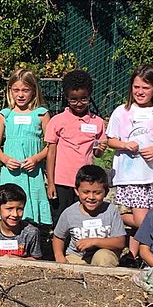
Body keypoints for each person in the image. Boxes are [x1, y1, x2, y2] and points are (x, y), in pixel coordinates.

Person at [106, 65, 153, 257]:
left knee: (147, 218)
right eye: (136, 87)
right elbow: (110, 140)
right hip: (131, 176)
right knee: (144, 220)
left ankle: (134, 255)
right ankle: (114, 218)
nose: (140, 92)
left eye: (145, 87)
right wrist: (125, 145)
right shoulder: (122, 111)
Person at [45, 69, 107, 224]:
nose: (79, 103)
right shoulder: (57, 121)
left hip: (85, 182)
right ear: (66, 98)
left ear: (90, 95)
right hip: (61, 181)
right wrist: (51, 182)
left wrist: (101, 149)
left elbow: (97, 153)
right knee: (61, 220)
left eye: (84, 99)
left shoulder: (97, 122)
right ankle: (59, 248)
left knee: (82, 219)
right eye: (73, 99)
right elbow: (51, 153)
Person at [0, 69, 52, 226]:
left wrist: (36, 158)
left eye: (25, 90)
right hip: (10, 173)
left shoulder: (41, 114)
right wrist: (5, 159)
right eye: (16, 90)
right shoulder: (5, 115)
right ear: (10, 90)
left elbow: (51, 145)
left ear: (33, 91)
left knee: (30, 210)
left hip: (33, 173)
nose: (20, 95)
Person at [53, 165, 126, 267]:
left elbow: (120, 242)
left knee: (103, 257)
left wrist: (94, 241)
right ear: (77, 191)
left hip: (104, 256)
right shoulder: (69, 213)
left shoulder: (111, 211)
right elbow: (58, 237)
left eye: (97, 193)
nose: (91, 197)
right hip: (76, 257)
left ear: (106, 192)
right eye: (86, 192)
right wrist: (59, 256)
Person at [0, 183, 41, 258]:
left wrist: (17, 260)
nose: (15, 214)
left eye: (20, 209)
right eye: (9, 209)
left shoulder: (31, 232)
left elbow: (37, 259)